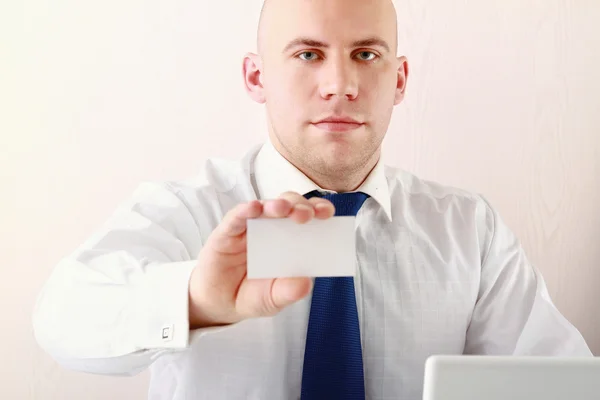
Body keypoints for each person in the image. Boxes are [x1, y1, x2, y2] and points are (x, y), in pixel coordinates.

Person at [32, 0, 592, 399]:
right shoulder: (188, 210)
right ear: (256, 77)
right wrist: (196, 300)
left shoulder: (469, 230)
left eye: (367, 55)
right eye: (307, 54)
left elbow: (561, 381)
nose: (340, 84)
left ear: (399, 81)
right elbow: (63, 319)